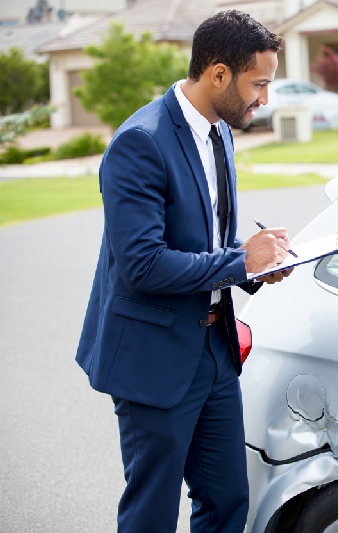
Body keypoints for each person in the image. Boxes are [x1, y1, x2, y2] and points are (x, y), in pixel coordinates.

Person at [74, 11, 289, 532]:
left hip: (215, 351)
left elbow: (204, 244)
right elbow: (143, 265)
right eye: (258, 84)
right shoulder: (140, 142)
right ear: (218, 74)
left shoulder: (221, 132)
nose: (264, 98)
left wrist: (256, 267)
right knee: (152, 512)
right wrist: (241, 260)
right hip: (153, 358)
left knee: (227, 502)